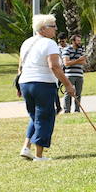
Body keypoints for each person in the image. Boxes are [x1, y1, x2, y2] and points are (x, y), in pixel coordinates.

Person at [18, 14, 73, 161]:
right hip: (43, 83)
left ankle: (26, 147)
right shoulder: (49, 43)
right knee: (45, 117)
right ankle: (39, 155)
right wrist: (68, 84)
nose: (56, 29)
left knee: (35, 116)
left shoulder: (26, 42)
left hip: (25, 83)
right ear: (43, 29)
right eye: (53, 26)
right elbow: (54, 66)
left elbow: (20, 66)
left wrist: (19, 87)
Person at [60, 35, 86, 113]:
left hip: (79, 74)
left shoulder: (81, 50)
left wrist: (74, 61)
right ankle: (67, 110)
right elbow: (66, 63)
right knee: (68, 93)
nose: (79, 42)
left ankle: (77, 110)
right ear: (73, 41)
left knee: (78, 93)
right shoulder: (67, 50)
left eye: (80, 40)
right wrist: (78, 60)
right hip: (69, 75)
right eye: (78, 40)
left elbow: (84, 62)